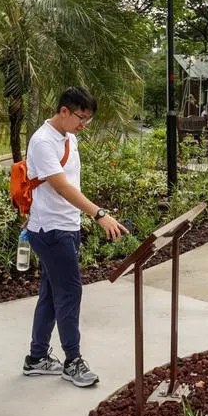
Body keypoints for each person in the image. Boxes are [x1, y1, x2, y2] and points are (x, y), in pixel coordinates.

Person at [22, 86, 128, 387]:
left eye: (88, 119)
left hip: (66, 226)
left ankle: (37, 358)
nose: (84, 124)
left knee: (51, 294)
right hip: (51, 230)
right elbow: (62, 186)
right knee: (69, 293)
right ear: (63, 111)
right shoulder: (43, 141)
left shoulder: (69, 137)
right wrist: (99, 213)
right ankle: (73, 361)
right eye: (81, 118)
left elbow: (70, 184)